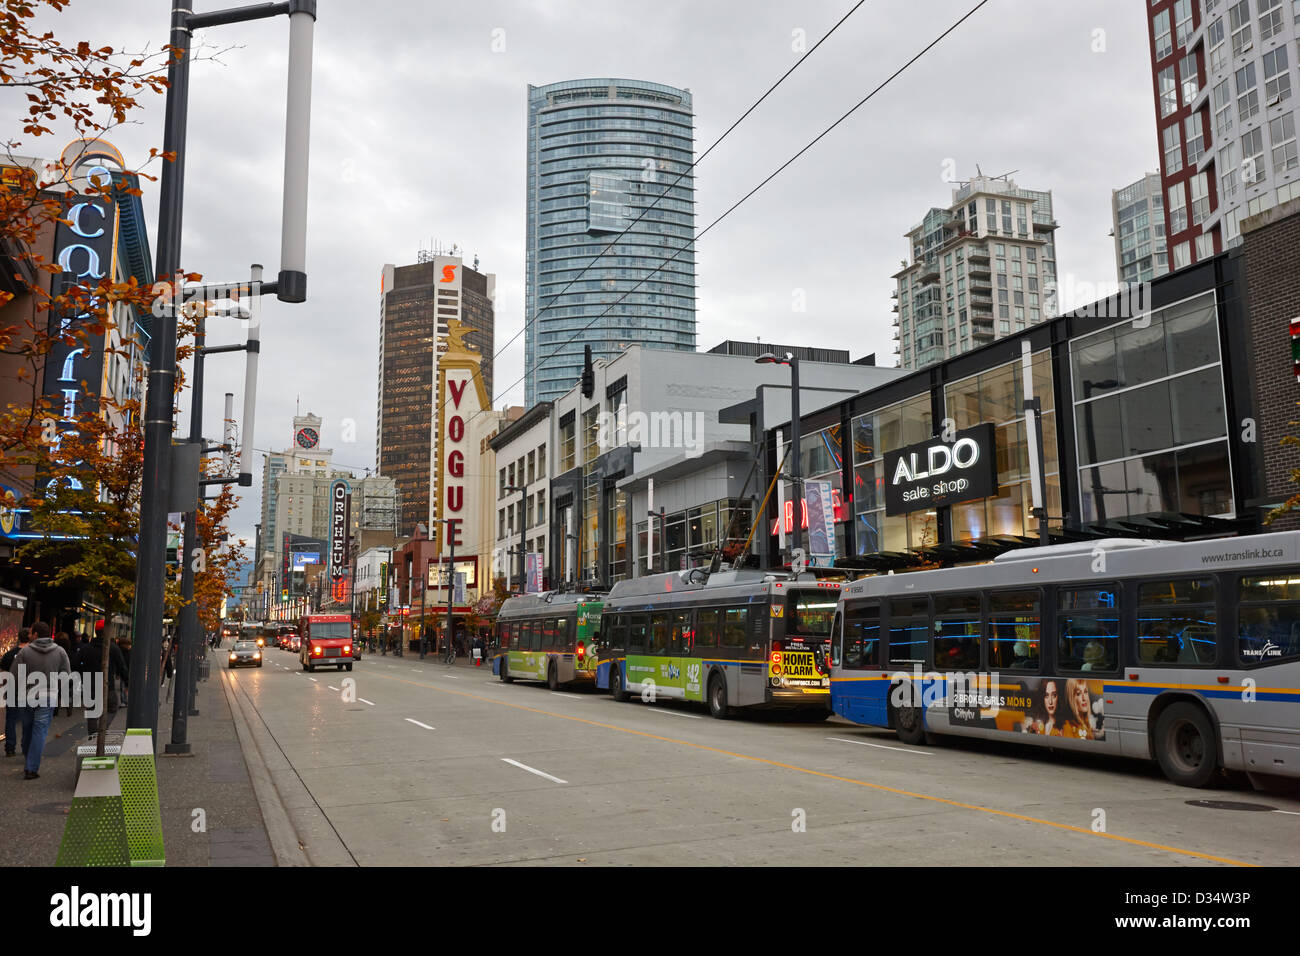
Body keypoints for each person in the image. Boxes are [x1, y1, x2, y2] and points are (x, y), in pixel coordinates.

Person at [10, 622, 71, 779]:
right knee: (40, 731)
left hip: (28, 696)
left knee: (28, 728)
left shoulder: (25, 652)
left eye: (31, 633)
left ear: (36, 634)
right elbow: (66, 674)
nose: (29, 635)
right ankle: (31, 768)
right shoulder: (60, 652)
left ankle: (27, 754)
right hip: (48, 697)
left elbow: (14, 675)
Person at [76, 623, 129, 735]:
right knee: (112, 707)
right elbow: (122, 666)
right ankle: (102, 728)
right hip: (107, 685)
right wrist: (128, 682)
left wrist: (83, 673)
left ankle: (93, 735)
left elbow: (75, 664)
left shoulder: (87, 648)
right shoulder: (113, 648)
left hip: (90, 685)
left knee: (92, 713)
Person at [2, 628, 31, 757]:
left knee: (11, 719)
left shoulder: (8, 655)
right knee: (27, 720)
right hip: (28, 691)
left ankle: (9, 747)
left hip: (12, 689)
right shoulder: (32, 655)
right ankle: (25, 747)